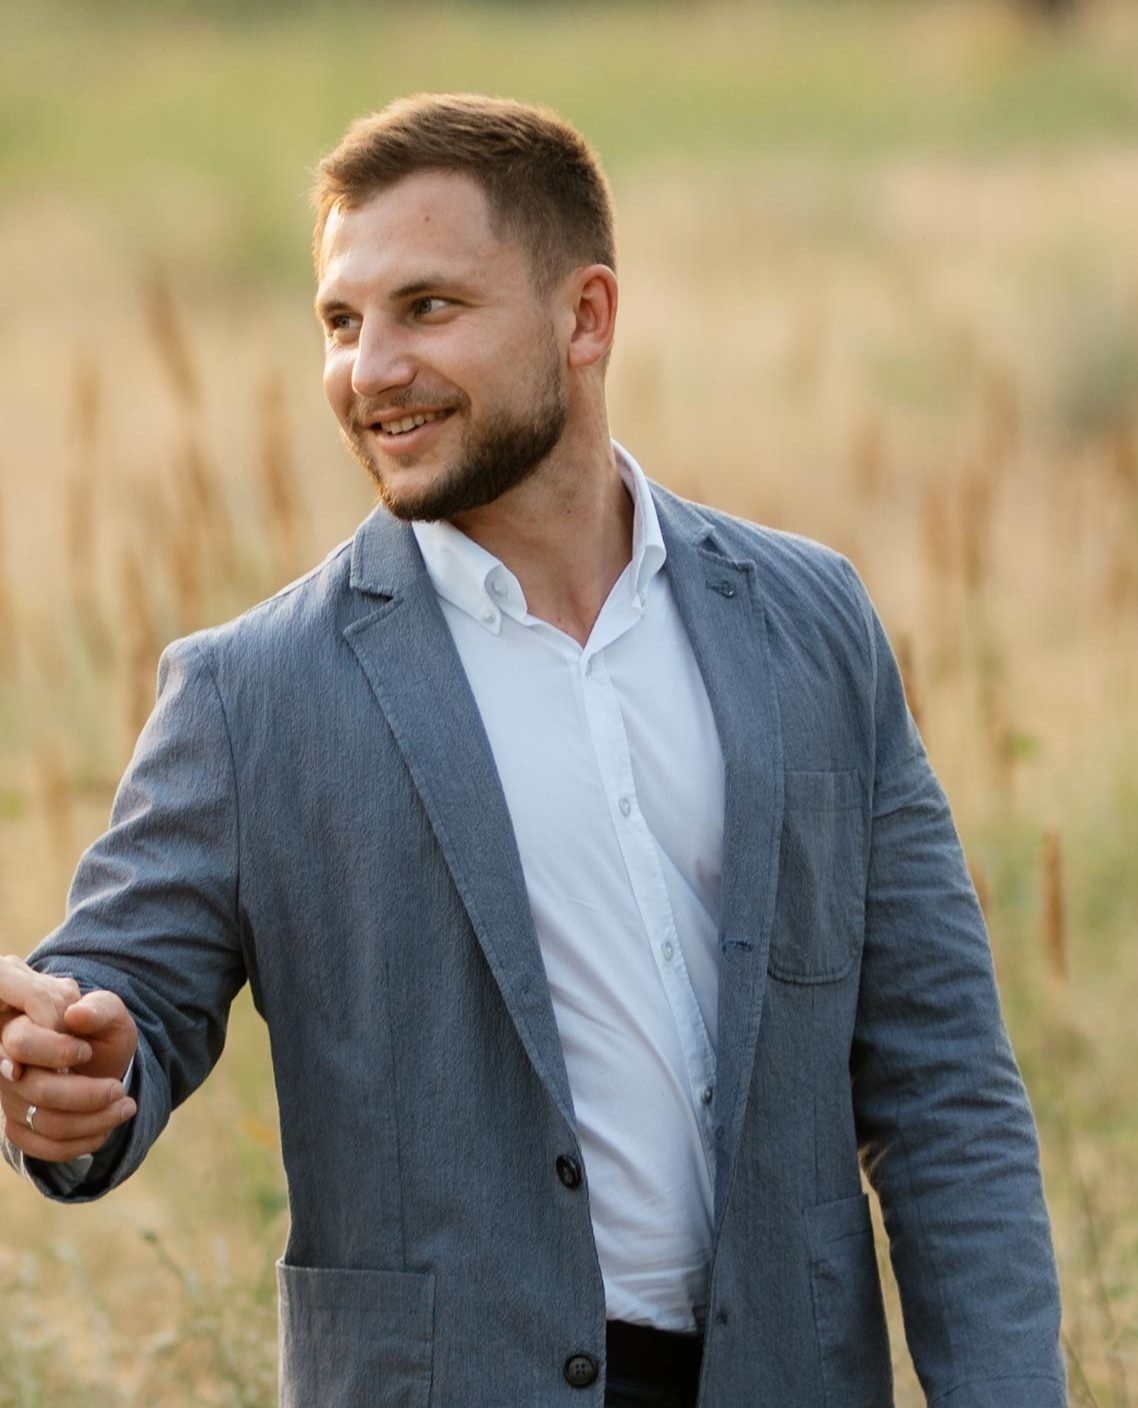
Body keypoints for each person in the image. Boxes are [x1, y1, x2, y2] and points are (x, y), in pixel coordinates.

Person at [1, 94, 1066, 1408]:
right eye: (341, 322)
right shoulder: (251, 692)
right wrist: (77, 1072)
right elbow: (119, 1001)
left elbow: (943, 1082)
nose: (368, 369)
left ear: (586, 317)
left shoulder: (808, 619)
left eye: (426, 308)